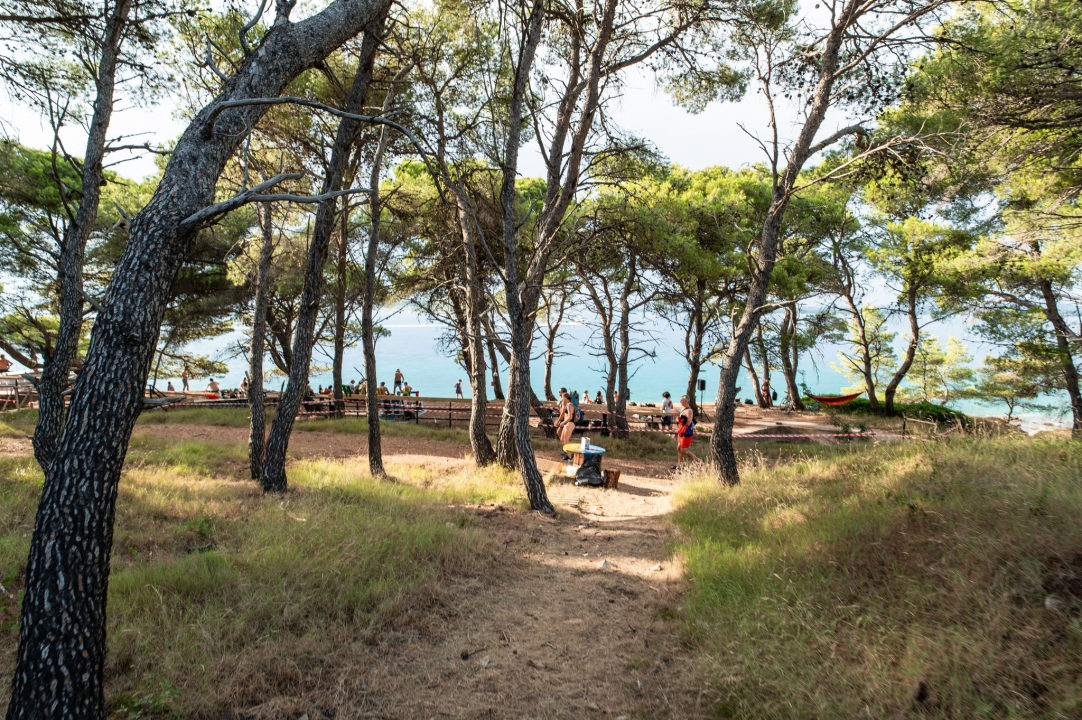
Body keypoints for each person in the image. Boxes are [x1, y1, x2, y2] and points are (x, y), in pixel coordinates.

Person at [673, 395, 701, 469]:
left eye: (682, 400)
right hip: (681, 431)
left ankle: (699, 460)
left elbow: (688, 423)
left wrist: (680, 420)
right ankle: (679, 464)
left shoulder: (689, 411)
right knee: (679, 448)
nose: (680, 401)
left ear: (686, 401)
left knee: (684, 451)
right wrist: (678, 419)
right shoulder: (683, 409)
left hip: (686, 432)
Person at [555, 391, 577, 460]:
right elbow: (564, 415)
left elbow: (570, 417)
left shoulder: (569, 405)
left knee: (566, 440)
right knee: (562, 439)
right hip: (567, 423)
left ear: (566, 398)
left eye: (562, 397)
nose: (562, 399)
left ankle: (570, 457)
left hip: (570, 423)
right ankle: (569, 454)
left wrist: (563, 422)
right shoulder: (567, 405)